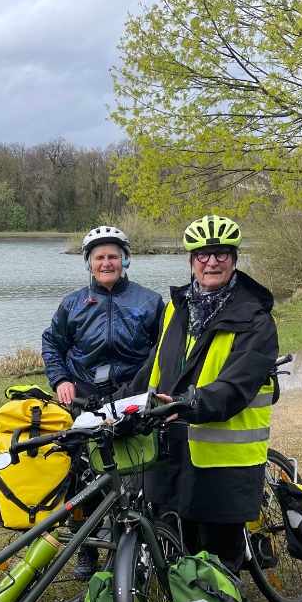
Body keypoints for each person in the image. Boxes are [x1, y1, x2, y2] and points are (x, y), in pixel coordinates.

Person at [127, 215, 279, 575]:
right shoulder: (177, 309)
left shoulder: (255, 317)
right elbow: (152, 372)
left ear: (235, 259)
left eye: (222, 254)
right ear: (191, 261)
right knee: (174, 544)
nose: (212, 262)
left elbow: (239, 383)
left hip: (222, 462)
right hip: (170, 446)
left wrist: (194, 404)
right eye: (203, 255)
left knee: (218, 560)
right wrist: (112, 403)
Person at [42, 225, 164, 577]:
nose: (106, 263)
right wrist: (61, 379)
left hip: (133, 394)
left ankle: (144, 545)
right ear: (88, 264)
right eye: (99, 257)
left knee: (142, 468)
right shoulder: (73, 304)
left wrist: (154, 385)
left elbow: (165, 349)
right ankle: (87, 548)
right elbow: (53, 344)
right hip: (85, 396)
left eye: (113, 256)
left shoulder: (149, 301)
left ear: (125, 259)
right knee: (84, 477)